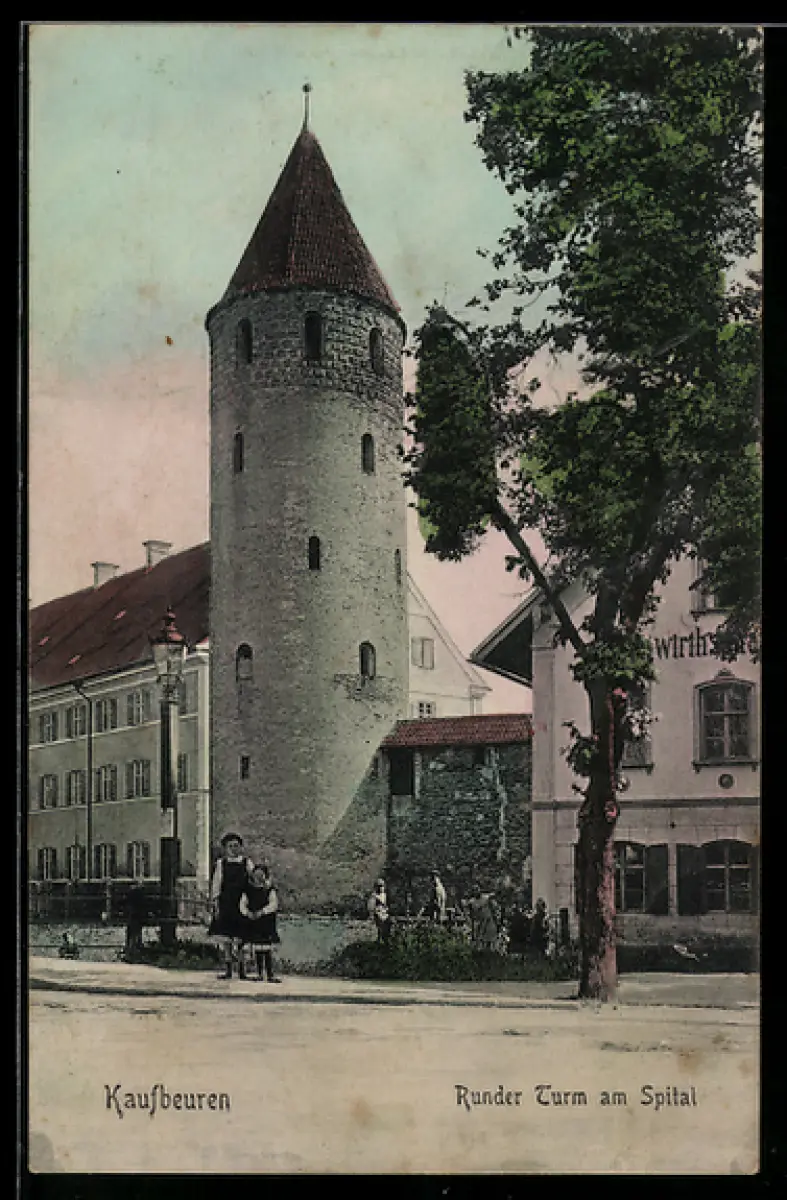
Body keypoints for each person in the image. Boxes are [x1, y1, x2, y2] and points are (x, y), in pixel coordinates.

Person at [209, 832, 254, 979]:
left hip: (242, 902)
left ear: (241, 847)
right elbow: (217, 884)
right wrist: (216, 903)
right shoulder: (221, 864)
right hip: (226, 902)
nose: (234, 849)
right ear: (225, 848)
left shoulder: (247, 863)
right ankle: (228, 969)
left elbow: (253, 881)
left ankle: (242, 969)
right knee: (226, 937)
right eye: (231, 846)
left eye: (236, 846)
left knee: (242, 937)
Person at [239, 863, 282, 983]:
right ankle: (259, 973)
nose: (258, 876)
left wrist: (262, 912)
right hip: (254, 921)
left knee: (266, 949)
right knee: (257, 948)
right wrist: (247, 913)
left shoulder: (269, 890)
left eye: (261, 874)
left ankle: (270, 974)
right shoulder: (248, 890)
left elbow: (274, 904)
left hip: (266, 922)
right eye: (256, 874)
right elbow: (242, 904)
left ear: (265, 875)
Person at [123, 880, 147, 961]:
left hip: (132, 914)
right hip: (138, 915)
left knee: (131, 933)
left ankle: (130, 952)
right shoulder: (140, 893)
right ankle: (134, 952)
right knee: (136, 933)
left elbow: (126, 902)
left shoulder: (131, 893)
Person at [367, 878, 392, 945]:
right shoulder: (374, 896)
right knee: (380, 927)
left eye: (382, 886)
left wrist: (387, 909)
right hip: (378, 914)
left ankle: (386, 939)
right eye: (379, 886)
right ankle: (379, 940)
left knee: (388, 926)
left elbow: (388, 904)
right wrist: (373, 913)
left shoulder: (385, 895)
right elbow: (371, 906)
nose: (381, 888)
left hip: (385, 913)